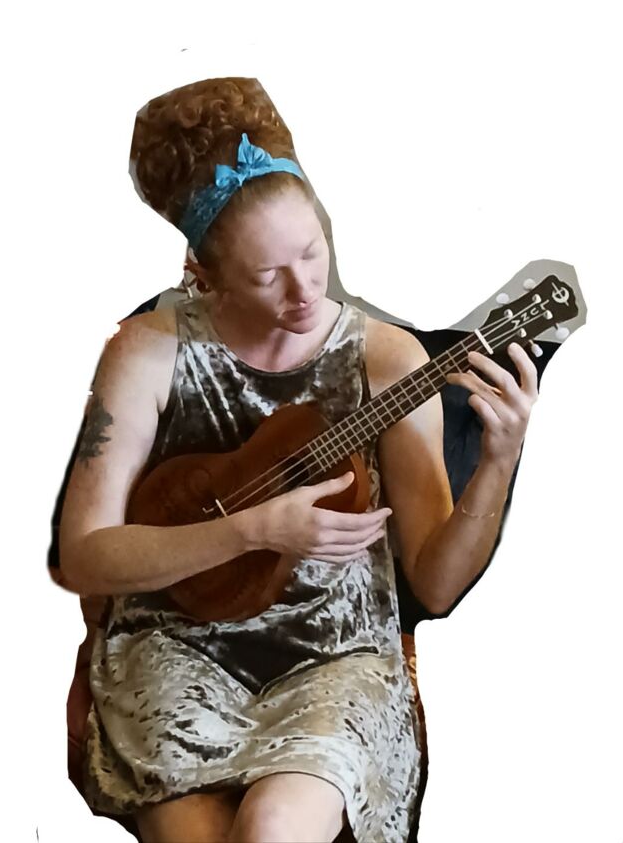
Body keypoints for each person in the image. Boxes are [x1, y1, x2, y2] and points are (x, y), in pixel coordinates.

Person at [58, 77, 538, 843]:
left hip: (336, 660)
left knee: (275, 829)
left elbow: (437, 587)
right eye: (265, 274)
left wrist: (498, 461)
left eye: (313, 250)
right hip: (176, 649)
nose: (306, 288)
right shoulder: (146, 353)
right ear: (204, 271)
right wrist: (251, 530)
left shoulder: (387, 360)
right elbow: (84, 556)